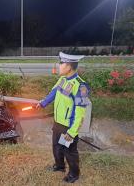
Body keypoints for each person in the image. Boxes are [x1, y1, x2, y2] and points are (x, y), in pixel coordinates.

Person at [36, 52, 90, 183]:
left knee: (69, 151)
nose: (59, 66)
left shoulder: (81, 86)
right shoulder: (62, 80)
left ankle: (74, 174)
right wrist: (42, 103)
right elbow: (53, 93)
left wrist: (72, 132)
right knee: (56, 147)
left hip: (68, 126)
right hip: (58, 122)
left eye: (61, 63)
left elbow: (80, 113)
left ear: (69, 66)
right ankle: (59, 166)